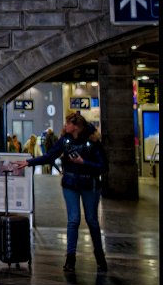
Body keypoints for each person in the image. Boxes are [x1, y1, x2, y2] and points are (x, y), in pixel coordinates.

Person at [15, 112, 109, 273]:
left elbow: (103, 166)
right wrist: (29, 162)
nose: (65, 126)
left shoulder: (92, 141)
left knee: (92, 220)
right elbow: (49, 156)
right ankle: (70, 258)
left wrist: (83, 162)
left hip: (89, 184)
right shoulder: (65, 140)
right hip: (70, 183)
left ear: (76, 126)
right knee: (73, 220)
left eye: (68, 123)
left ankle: (99, 256)